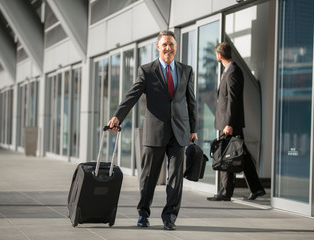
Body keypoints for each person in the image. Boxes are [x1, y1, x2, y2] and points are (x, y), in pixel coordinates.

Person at [107, 30, 198, 230]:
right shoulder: (147, 70)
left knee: (175, 178)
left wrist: (193, 128)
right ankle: (143, 214)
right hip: (155, 131)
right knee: (148, 177)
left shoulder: (186, 70)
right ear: (158, 47)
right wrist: (118, 116)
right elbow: (132, 95)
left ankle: (170, 217)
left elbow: (191, 101)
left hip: (179, 131)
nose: (168, 48)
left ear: (176, 47)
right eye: (164, 44)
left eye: (171, 44)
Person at [207, 42, 266, 202]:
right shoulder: (230, 70)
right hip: (229, 122)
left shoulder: (232, 71)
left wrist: (229, 124)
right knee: (240, 155)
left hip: (230, 123)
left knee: (228, 156)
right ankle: (256, 188)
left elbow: (233, 100)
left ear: (219, 55)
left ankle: (226, 192)